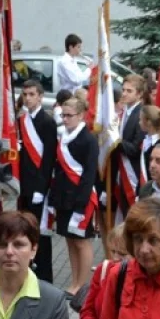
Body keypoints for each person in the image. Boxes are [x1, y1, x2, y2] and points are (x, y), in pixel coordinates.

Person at [49, 97, 98, 296]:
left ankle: (83, 285)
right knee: (69, 240)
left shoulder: (88, 140)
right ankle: (74, 281)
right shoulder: (63, 136)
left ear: (81, 115)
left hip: (80, 197)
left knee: (81, 240)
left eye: (69, 115)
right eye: (63, 115)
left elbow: (89, 174)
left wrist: (81, 203)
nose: (65, 119)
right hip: (63, 196)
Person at [16, 80, 58, 283]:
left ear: (41, 96)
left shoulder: (47, 122)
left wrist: (41, 188)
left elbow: (49, 157)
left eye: (32, 94)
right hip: (24, 185)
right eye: (25, 94)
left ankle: (45, 277)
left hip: (39, 187)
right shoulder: (21, 121)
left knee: (41, 232)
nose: (28, 98)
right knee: (25, 230)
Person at [112, 75, 147, 218]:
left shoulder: (141, 114)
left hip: (132, 171)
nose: (124, 94)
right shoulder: (124, 111)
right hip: (120, 170)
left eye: (129, 91)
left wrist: (115, 140)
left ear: (139, 94)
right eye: (123, 90)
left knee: (131, 213)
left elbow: (135, 148)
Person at [139, 105, 160, 189]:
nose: (139, 122)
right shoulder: (145, 141)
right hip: (144, 186)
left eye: (140, 119)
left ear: (148, 122)